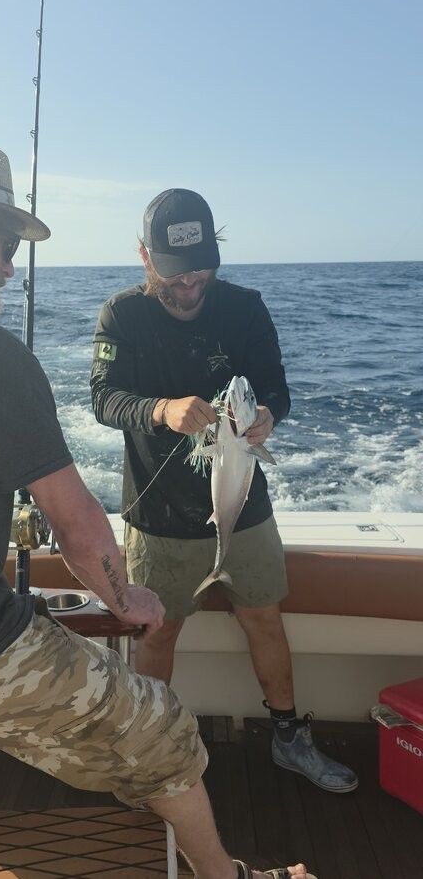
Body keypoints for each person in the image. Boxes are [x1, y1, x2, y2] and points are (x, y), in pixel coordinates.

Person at [0, 135, 314, 879]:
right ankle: (227, 876)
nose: (13, 266)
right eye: (5, 242)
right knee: (168, 732)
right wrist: (127, 596)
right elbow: (78, 524)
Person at [91, 188, 358, 794]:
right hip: (158, 516)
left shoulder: (245, 308)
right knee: (157, 631)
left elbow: (278, 390)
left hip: (245, 505)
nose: (191, 283)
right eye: (175, 270)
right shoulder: (121, 315)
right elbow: (103, 400)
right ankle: (151, 749)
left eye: (202, 267)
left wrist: (265, 413)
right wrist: (161, 409)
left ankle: (289, 735)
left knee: (264, 619)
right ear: (144, 257)